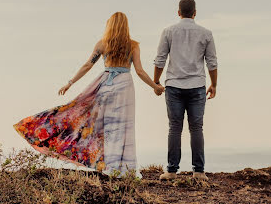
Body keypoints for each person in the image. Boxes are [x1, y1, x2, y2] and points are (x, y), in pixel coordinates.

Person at [13, 12, 164, 177]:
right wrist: (154, 87)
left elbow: (87, 65)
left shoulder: (102, 44)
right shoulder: (133, 45)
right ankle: (124, 169)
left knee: (106, 128)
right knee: (124, 128)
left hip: (106, 85)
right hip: (125, 87)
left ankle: (110, 167)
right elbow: (140, 71)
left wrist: (70, 83)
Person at [154, 0, 218, 181]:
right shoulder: (206, 33)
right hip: (197, 86)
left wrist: (156, 81)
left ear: (178, 12)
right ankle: (198, 171)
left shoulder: (168, 31)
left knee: (175, 128)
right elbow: (212, 63)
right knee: (196, 128)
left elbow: (160, 59)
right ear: (195, 12)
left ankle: (172, 171)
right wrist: (214, 84)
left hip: (174, 85)